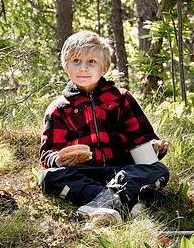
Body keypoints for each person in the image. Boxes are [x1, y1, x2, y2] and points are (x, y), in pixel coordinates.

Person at [39, 31, 169, 225]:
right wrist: (58, 159)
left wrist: (154, 148)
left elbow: (141, 139)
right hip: (83, 172)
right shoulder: (59, 108)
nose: (83, 68)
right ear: (66, 66)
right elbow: (47, 153)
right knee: (49, 178)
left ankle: (104, 202)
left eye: (91, 62)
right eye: (76, 61)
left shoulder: (121, 99)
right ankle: (118, 202)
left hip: (121, 169)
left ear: (104, 67)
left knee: (158, 170)